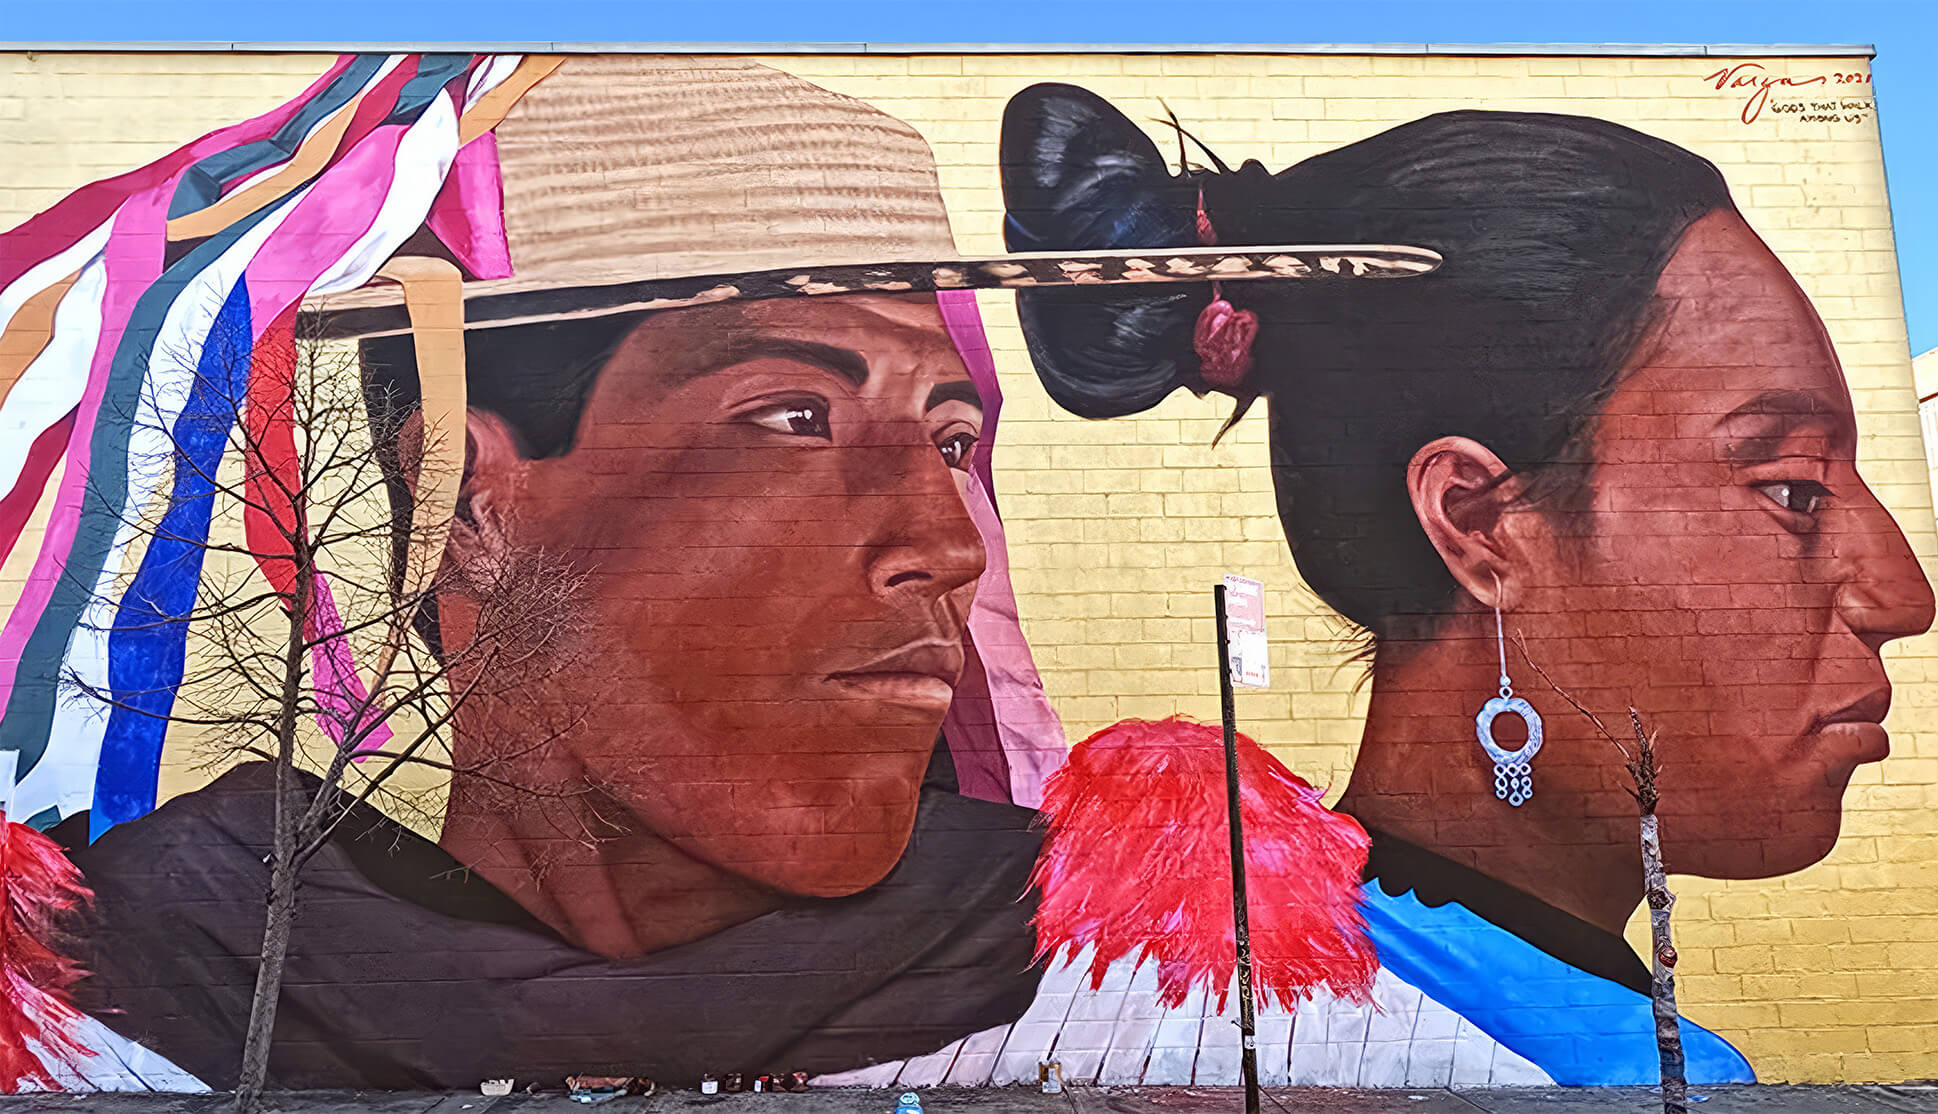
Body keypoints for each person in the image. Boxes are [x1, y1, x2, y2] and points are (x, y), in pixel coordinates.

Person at [3, 57, 1420, 1092]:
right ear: (469, 508)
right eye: (793, 417)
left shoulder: (1128, 986)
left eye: (950, 436)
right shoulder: (147, 990)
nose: (951, 540)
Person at [955, 83, 1937, 1089]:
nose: (1903, 595)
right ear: (1478, 523)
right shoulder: (1523, 1057)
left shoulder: (1201, 977)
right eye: (1792, 489)